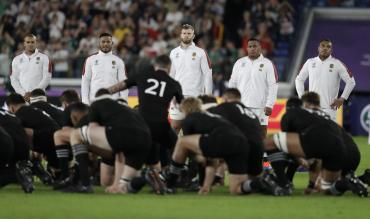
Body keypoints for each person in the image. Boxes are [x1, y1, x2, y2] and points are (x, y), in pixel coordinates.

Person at [166, 97, 281, 196]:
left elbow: (205, 156)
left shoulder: (191, 119)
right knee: (236, 189)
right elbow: (212, 157)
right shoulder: (215, 117)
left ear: (185, 109)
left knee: (182, 142)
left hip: (228, 141)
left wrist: (201, 164)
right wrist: (206, 186)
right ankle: (259, 182)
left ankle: (170, 183)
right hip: (242, 143)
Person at [264, 96, 368, 197]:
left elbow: (270, 154)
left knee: (283, 149)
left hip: (330, 149)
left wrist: (267, 170)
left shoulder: (294, 120)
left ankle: (285, 182)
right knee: (327, 188)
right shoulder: (322, 119)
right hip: (351, 154)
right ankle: (357, 180)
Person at [65, 89, 152, 194]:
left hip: (122, 136)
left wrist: (92, 150)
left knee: (75, 135)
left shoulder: (96, 104)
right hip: (145, 139)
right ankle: (143, 177)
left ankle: (85, 184)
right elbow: (120, 154)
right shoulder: (124, 109)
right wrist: (116, 184)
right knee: (121, 188)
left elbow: (92, 129)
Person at [108, 55, 183, 169]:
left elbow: (120, 86)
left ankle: (144, 172)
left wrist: (104, 92)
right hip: (161, 126)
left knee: (147, 153)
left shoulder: (143, 75)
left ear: (155, 65)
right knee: (179, 146)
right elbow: (181, 105)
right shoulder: (174, 83)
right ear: (169, 67)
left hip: (141, 124)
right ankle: (174, 174)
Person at [295, 39, 356, 121]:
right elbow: (299, 79)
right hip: (312, 108)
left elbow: (351, 82)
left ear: (331, 50)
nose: (325, 48)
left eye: (328, 47)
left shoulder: (337, 64)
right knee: (313, 133)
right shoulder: (310, 62)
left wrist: (342, 98)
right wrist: (302, 98)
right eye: (323, 46)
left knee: (329, 134)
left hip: (329, 109)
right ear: (318, 48)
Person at [5, 93, 60, 185]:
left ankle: (27, 164)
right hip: (58, 142)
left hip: (49, 142)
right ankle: (35, 164)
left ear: (11, 107)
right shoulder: (32, 110)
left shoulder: (19, 114)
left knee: (16, 133)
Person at [228, 38, 278, 137]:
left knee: (261, 132)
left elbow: (273, 85)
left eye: (255, 46)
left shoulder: (268, 64)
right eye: (250, 46)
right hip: (242, 104)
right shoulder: (239, 63)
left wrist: (270, 105)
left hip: (261, 106)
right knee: (239, 131)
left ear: (260, 48)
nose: (252, 49)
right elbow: (232, 82)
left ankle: (262, 152)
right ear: (247, 48)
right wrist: (230, 100)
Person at [168, 24, 213, 132]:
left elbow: (208, 74)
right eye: (184, 33)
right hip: (178, 95)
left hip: (195, 95)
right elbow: (171, 74)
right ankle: (174, 149)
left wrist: (208, 94)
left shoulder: (200, 52)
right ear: (180, 35)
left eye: (189, 33)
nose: (186, 36)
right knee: (175, 127)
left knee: (194, 127)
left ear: (193, 36)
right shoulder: (174, 53)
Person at [81, 32, 128, 104]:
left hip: (113, 102)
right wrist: (85, 101)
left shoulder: (119, 61)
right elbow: (85, 82)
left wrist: (124, 101)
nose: (105, 44)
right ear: (99, 43)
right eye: (103, 42)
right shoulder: (90, 60)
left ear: (112, 43)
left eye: (108, 42)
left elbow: (123, 83)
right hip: (94, 101)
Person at [10, 34, 52, 102]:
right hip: (22, 97)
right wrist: (23, 93)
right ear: (24, 43)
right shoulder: (16, 59)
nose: (30, 44)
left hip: (39, 97)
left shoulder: (44, 58)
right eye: (28, 42)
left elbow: (47, 77)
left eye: (32, 42)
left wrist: (33, 93)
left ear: (36, 43)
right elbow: (13, 79)